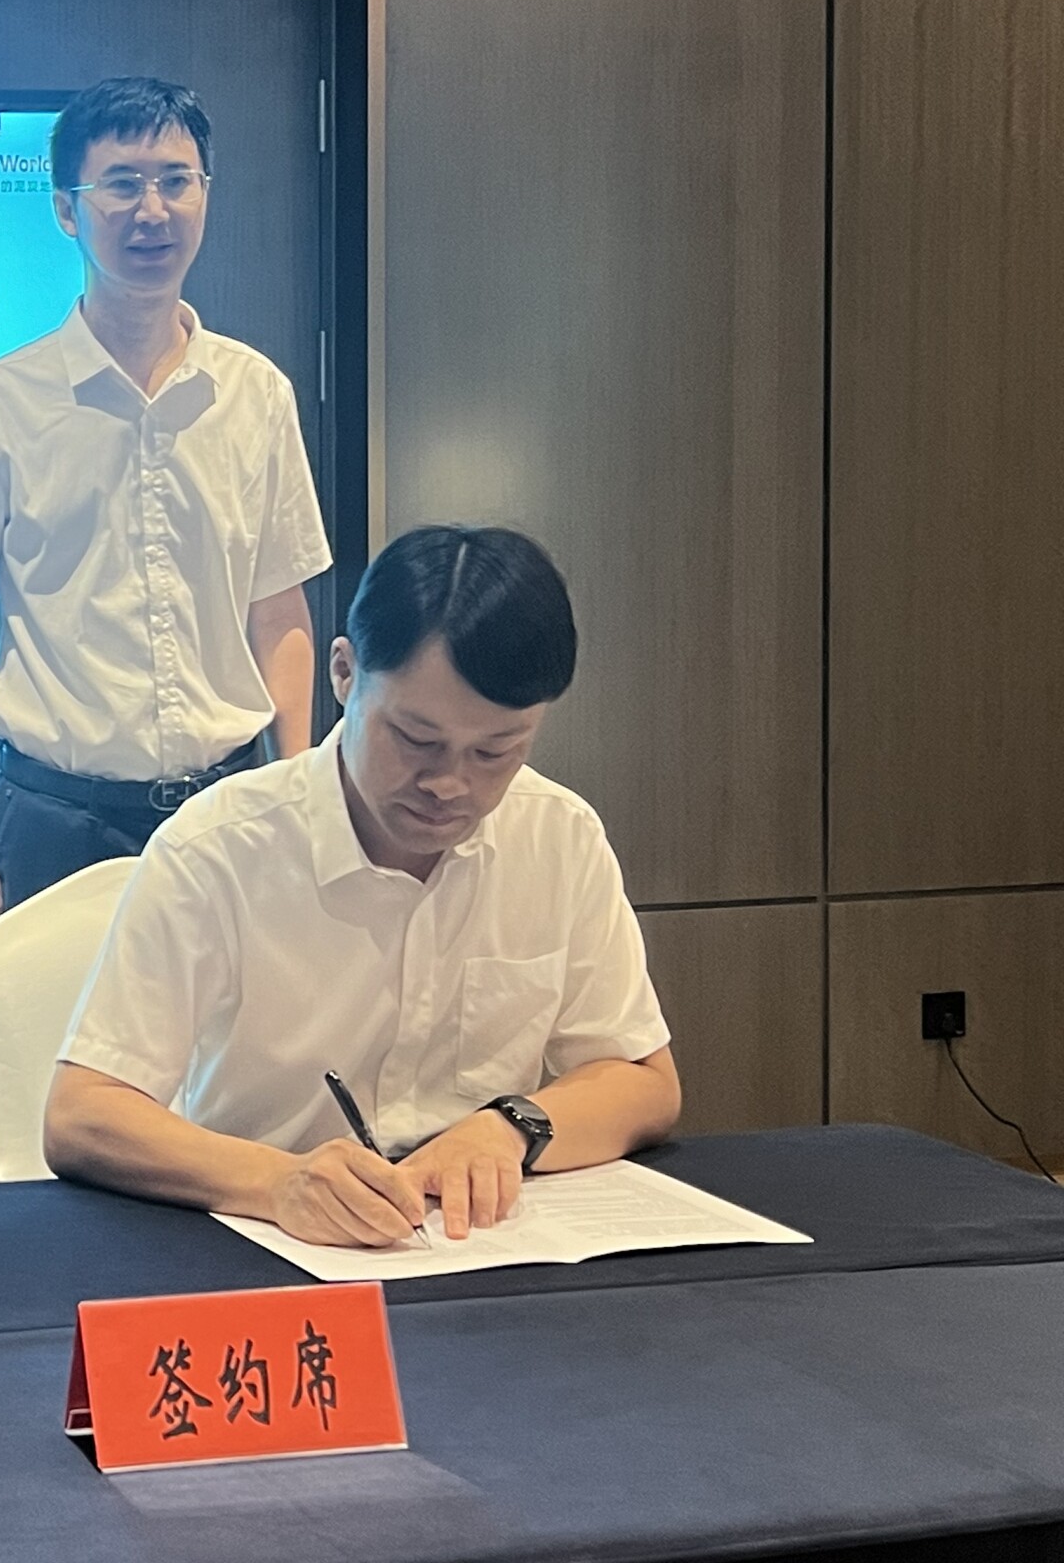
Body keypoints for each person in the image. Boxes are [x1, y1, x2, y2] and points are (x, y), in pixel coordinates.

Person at [43, 525, 681, 1246]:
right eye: (415, 739)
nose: (449, 784)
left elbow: (642, 1079)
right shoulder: (219, 849)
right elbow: (81, 1114)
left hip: (479, 1257)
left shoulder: (558, 837)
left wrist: (511, 1126)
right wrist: (275, 1181)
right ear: (343, 674)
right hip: (267, 1254)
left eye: (495, 751)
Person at [0, 76, 332, 962]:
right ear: (68, 210)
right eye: (122, 184)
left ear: (206, 196)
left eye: (176, 180)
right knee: (56, 1087)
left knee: (229, 1089)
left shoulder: (256, 395)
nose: (153, 210)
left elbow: (281, 614)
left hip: (231, 810)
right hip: (52, 823)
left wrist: (298, 800)